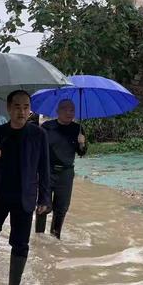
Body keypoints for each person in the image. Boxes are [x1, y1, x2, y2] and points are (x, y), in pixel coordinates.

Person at [0, 90, 51, 285]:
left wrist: (45, 198)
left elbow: (44, 169)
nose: (22, 111)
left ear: (30, 110)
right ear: (9, 109)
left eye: (26, 107)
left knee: (20, 244)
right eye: (17, 107)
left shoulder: (39, 135)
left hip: (24, 197)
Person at [35, 99, 87, 239]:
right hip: (47, 171)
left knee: (61, 208)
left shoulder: (78, 129)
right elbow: (37, 149)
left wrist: (82, 144)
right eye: (65, 109)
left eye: (72, 110)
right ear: (58, 111)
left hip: (66, 173)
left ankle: (55, 238)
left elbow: (82, 153)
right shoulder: (47, 127)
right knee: (43, 206)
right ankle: (38, 238)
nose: (69, 113)